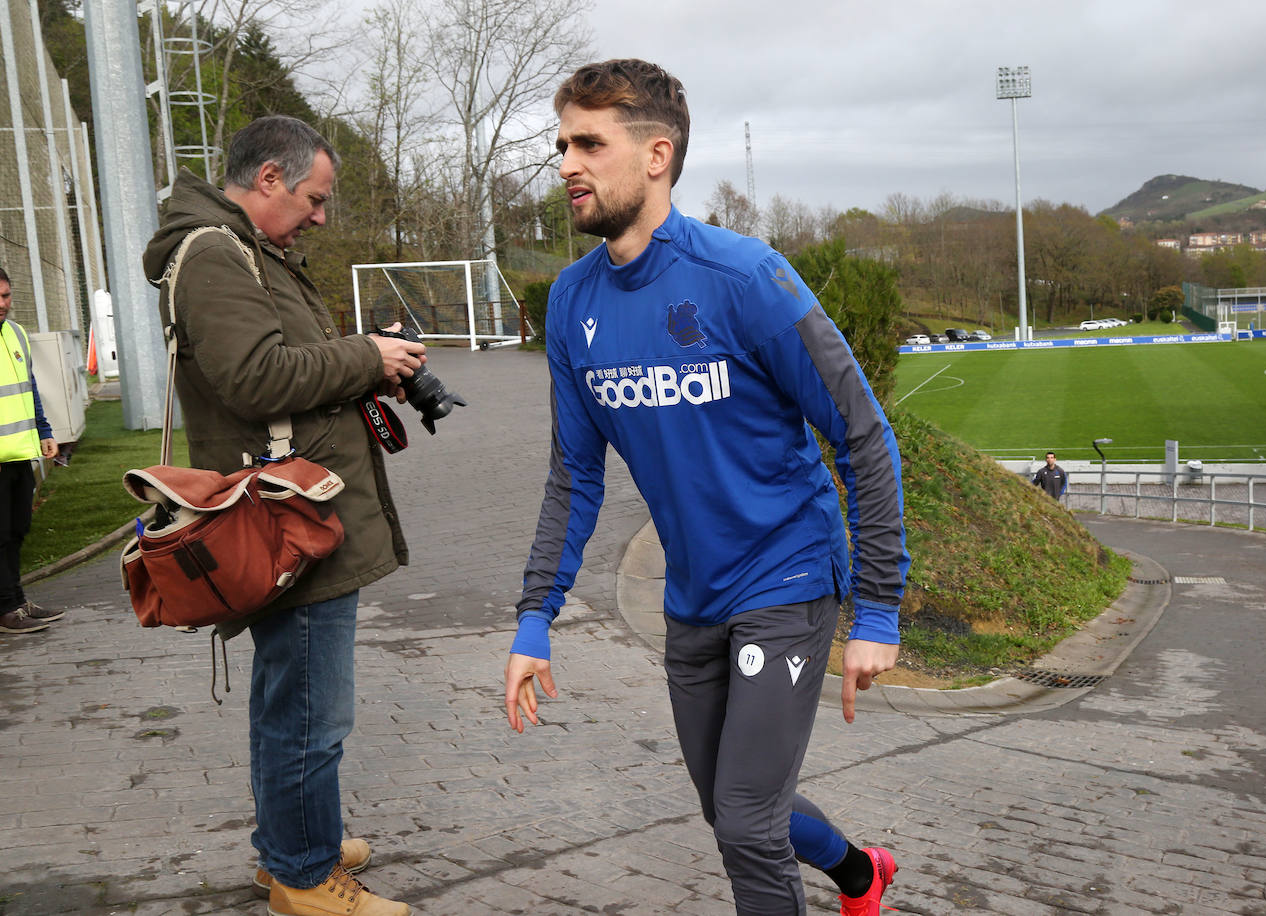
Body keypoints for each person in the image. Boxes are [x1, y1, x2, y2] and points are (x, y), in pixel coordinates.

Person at [503, 60, 909, 916]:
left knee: (748, 826)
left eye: (588, 143)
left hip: (787, 578)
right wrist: (535, 618)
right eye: (561, 143)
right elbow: (574, 475)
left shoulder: (746, 278)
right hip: (692, 597)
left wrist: (876, 610)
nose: (566, 163)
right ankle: (860, 875)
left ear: (657, 154)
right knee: (728, 811)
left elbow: (863, 436)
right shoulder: (572, 301)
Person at [142, 116, 426, 916]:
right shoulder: (216, 258)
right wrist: (367, 356)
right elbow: (259, 379)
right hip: (289, 521)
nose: (321, 216)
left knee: (293, 698)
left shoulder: (246, 251)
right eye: (314, 198)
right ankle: (303, 878)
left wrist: (367, 371)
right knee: (309, 709)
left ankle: (294, 839)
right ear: (268, 178)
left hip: (301, 511)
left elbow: (290, 371)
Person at [0, 268, 62, 635]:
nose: (2, 304)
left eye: (6, 296)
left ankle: (17, 601)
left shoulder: (17, 334)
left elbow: (29, 388)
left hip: (20, 452)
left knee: (18, 528)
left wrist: (44, 430)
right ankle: (7, 609)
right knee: (1, 533)